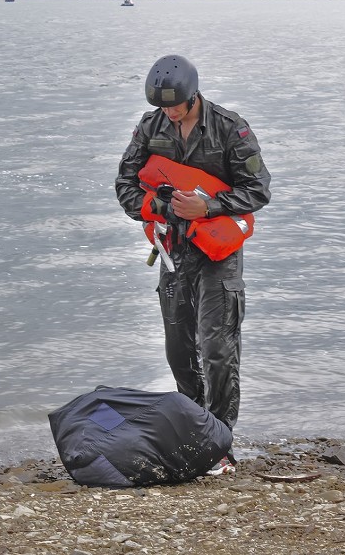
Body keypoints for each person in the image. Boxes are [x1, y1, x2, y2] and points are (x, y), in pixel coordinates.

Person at [115, 55, 271, 475]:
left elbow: (258, 190)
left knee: (218, 348)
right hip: (172, 250)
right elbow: (124, 186)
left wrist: (209, 205)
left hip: (218, 255)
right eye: (162, 106)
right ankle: (193, 429)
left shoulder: (229, 126)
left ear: (193, 95)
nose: (168, 113)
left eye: (175, 106)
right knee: (179, 349)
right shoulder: (150, 127)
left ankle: (220, 441)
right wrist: (160, 204)